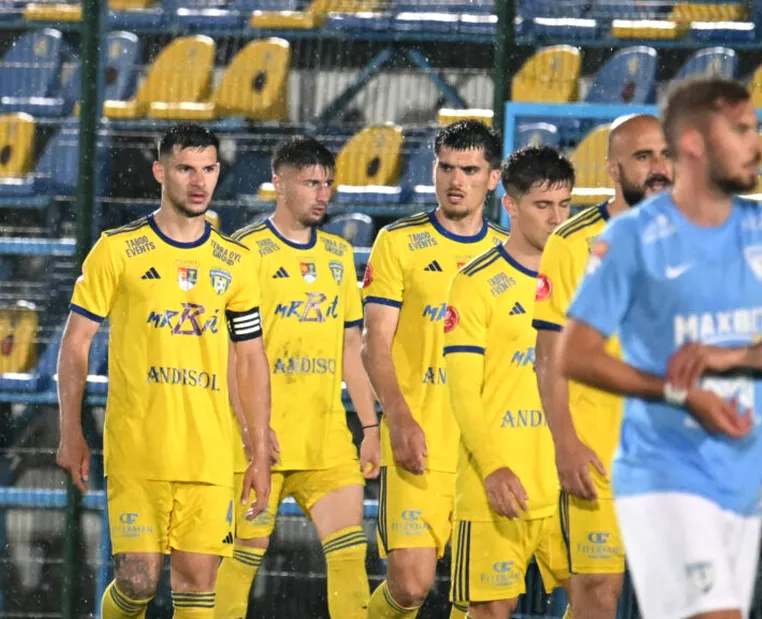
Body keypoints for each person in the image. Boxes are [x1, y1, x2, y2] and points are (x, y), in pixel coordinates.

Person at [561, 76, 762, 619]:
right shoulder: (631, 239)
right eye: (740, 131)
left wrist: (734, 358)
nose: (758, 145)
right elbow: (576, 355)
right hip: (666, 470)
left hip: (740, 474)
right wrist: (680, 393)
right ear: (695, 143)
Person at [56, 123, 272, 619]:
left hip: (208, 453)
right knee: (137, 582)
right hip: (139, 451)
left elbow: (250, 358)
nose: (199, 181)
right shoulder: (117, 249)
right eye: (185, 169)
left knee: (198, 583)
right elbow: (76, 342)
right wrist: (70, 431)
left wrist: (258, 450)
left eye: (209, 169)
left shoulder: (237, 262)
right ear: (160, 172)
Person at [214, 136, 380, 619]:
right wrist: (251, 430)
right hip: (260, 440)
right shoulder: (247, 251)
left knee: (350, 555)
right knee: (241, 560)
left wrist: (370, 427)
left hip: (325, 440)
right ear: (279, 184)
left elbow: (352, 347)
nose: (322, 194)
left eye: (327, 183)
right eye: (310, 183)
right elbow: (231, 353)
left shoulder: (338, 254)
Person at [361, 119, 508, 619]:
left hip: (483, 449)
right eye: (446, 167)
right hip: (419, 436)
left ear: (493, 179)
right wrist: (399, 419)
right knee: (409, 586)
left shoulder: (508, 253)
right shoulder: (398, 242)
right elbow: (374, 343)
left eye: (470, 170)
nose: (456, 180)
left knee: (487, 600)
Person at [532, 114, 672, 619]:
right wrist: (565, 442)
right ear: (613, 169)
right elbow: (548, 355)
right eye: (643, 157)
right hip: (598, 454)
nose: (659, 168)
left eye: (666, 155)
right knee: (595, 593)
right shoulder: (572, 244)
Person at [444, 145, 573, 619]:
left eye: (565, 204)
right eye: (543, 205)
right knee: (493, 610)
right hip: (499, 485)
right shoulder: (475, 283)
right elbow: (463, 391)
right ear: (511, 205)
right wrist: (493, 467)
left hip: (568, 483)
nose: (557, 218)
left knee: (596, 599)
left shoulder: (585, 280)